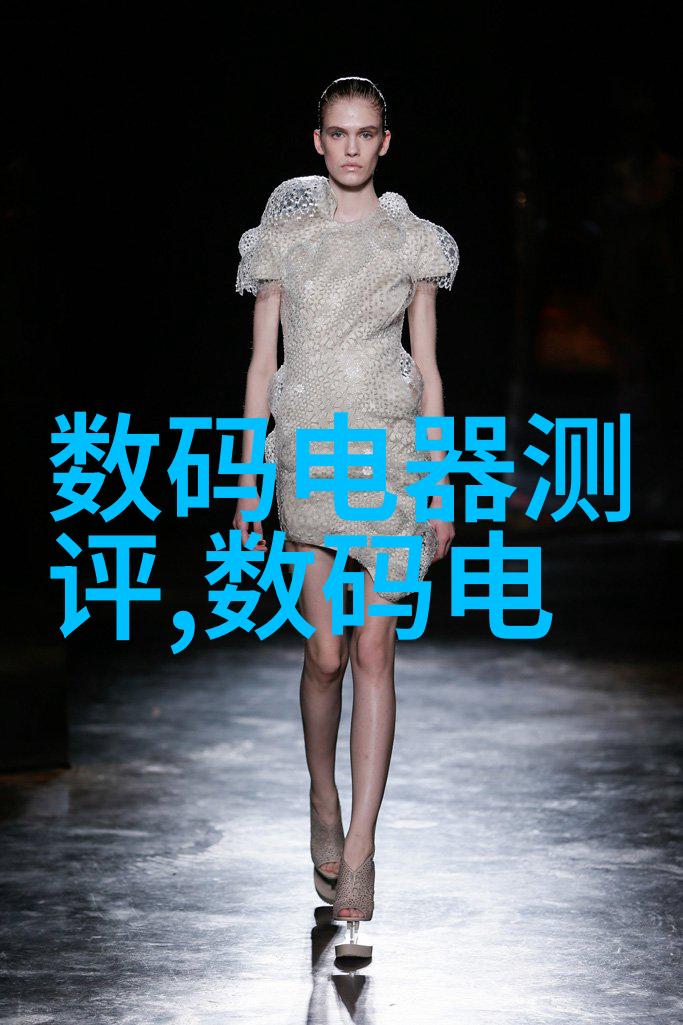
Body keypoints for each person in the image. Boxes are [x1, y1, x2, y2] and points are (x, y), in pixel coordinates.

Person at [233, 76, 458, 958]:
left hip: (391, 460)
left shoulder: (414, 242)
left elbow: (427, 369)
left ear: (385, 142)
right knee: (323, 651)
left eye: (366, 133)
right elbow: (261, 368)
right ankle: (322, 797)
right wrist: (247, 480)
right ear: (318, 141)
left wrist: (437, 483)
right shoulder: (282, 239)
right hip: (307, 460)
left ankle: (359, 855)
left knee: (373, 651)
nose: (353, 147)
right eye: (339, 133)